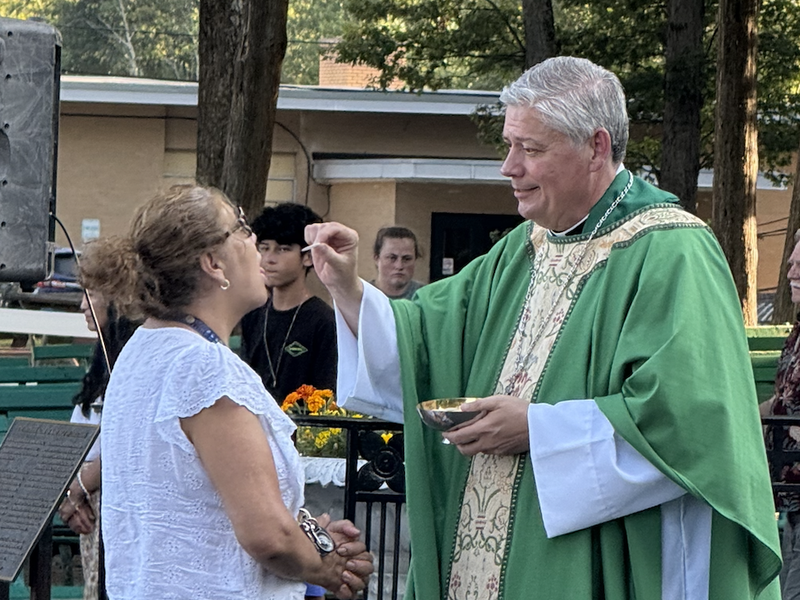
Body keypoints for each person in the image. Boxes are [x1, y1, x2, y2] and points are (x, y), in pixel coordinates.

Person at [305, 56, 781, 599]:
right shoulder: (522, 248)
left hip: (596, 552)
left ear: (596, 147)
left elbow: (693, 417)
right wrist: (346, 286)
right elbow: (423, 334)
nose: (509, 167)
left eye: (530, 149)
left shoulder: (672, 250)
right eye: (509, 146)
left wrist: (541, 429)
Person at [85, 185, 372, 600]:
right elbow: (267, 536)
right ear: (213, 264)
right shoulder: (204, 369)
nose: (255, 240)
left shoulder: (144, 348)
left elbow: (197, 506)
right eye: (240, 227)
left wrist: (310, 535)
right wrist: (328, 568)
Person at [57, 270, 137, 600]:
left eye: (90, 295)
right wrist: (71, 496)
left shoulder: (130, 361)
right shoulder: (100, 360)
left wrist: (79, 490)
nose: (81, 305)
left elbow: (125, 444)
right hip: (88, 498)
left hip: (108, 497)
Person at [240, 203, 337, 405]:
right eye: (264, 248)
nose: (269, 259)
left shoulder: (324, 321)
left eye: (283, 249)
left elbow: (327, 394)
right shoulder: (253, 314)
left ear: (308, 257)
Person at [762, 230, 800, 599]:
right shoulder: (797, 334)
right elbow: (780, 401)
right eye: (792, 263)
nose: (791, 271)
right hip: (788, 498)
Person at [371, 226, 424, 300]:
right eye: (392, 258)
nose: (399, 266)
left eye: (407, 259)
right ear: (377, 258)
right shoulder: (363, 296)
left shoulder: (426, 298)